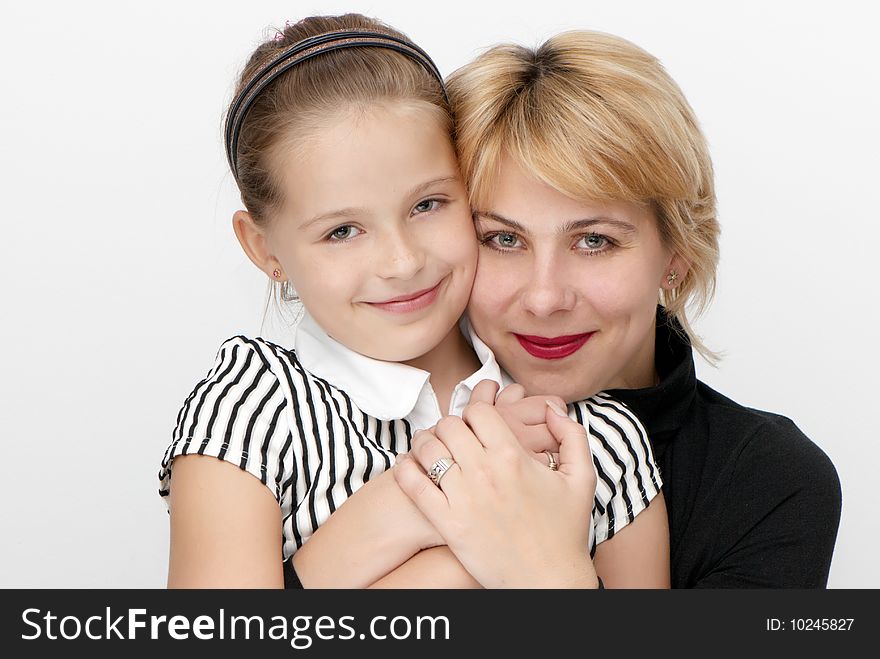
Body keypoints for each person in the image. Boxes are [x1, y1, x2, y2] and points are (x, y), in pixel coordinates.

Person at [296, 29, 842, 588]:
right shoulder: (314, 421)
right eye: (503, 240)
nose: (544, 297)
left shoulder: (769, 482)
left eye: (594, 241)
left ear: (677, 252)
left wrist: (545, 573)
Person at [158, 14, 667, 589]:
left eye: (427, 205)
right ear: (263, 247)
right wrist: (410, 513)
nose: (402, 262)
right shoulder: (253, 415)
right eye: (342, 231)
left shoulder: (593, 436)